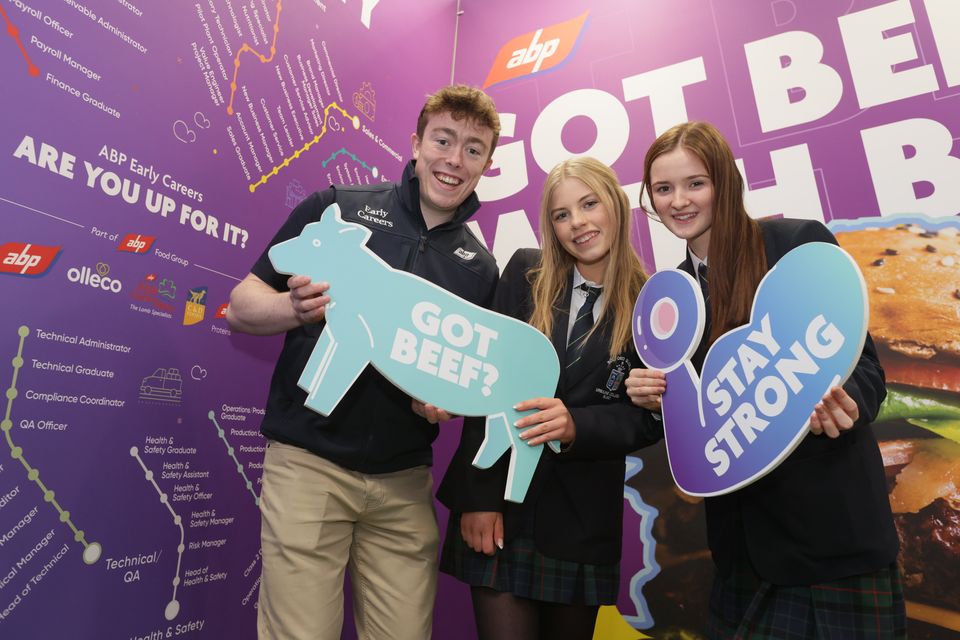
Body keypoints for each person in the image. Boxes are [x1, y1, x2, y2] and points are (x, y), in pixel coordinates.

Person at [226, 84, 501, 640]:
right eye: (443, 140)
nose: (454, 160)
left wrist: (442, 400)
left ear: (487, 164)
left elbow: (461, 384)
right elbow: (240, 306)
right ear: (416, 143)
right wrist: (292, 306)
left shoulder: (479, 269)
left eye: (473, 149)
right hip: (310, 465)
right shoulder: (337, 209)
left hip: (402, 485)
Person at [626, 121, 905, 638]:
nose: (679, 201)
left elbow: (864, 367)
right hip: (741, 553)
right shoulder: (671, 298)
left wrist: (849, 404)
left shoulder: (794, 243)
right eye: (663, 189)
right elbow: (694, 426)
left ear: (725, 184)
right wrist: (652, 395)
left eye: (695, 183)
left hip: (830, 541)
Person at [437, 157, 663, 640]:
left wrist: (578, 425)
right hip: (502, 513)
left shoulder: (653, 304)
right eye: (562, 214)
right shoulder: (525, 273)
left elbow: (647, 421)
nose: (577, 223)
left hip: (581, 523)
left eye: (588, 204)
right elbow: (487, 385)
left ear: (616, 207)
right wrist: (478, 498)